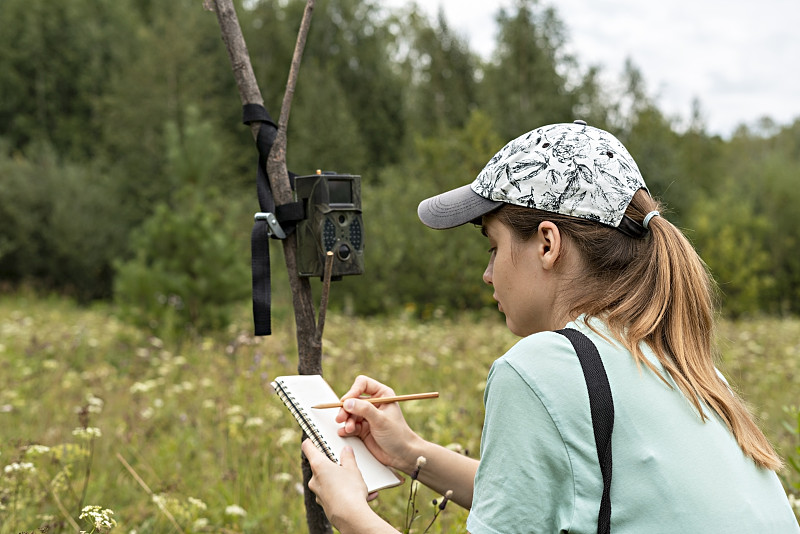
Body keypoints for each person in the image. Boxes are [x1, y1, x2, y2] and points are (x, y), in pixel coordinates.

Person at [301, 121, 800, 533]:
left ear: (547, 243)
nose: (488, 273)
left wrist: (351, 514)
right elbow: (538, 499)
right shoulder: (681, 363)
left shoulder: (541, 368)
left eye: (493, 247)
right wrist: (410, 453)